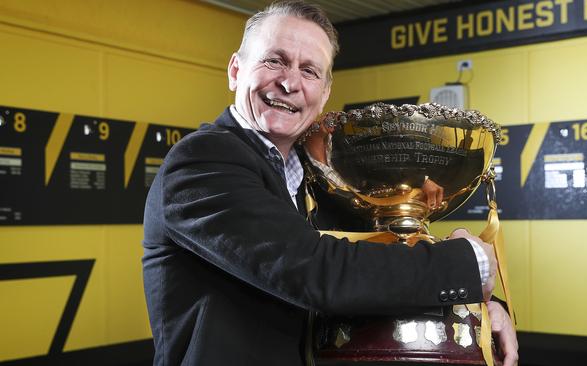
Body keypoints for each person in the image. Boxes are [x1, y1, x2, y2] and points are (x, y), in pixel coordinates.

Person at [142, 1, 518, 365]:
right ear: (236, 71)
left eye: (309, 71)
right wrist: (468, 267)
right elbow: (318, 272)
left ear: (323, 94)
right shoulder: (202, 162)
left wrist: (483, 305)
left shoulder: (316, 178)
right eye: (274, 60)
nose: (289, 82)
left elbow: (378, 260)